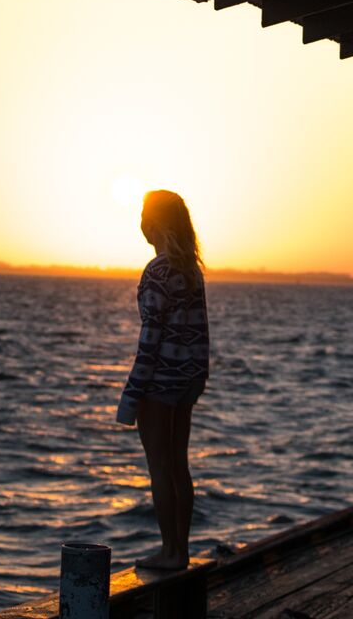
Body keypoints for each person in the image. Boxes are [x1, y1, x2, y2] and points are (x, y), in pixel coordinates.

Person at [116, 190, 209, 571]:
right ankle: (180, 550)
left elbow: (150, 339)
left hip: (158, 384)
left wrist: (131, 396)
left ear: (152, 223)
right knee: (178, 465)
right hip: (186, 381)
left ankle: (170, 551)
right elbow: (200, 334)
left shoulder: (157, 272)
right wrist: (197, 378)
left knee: (159, 466)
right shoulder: (191, 270)